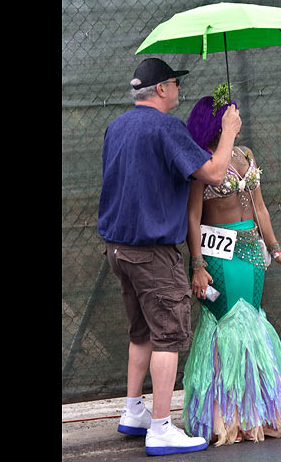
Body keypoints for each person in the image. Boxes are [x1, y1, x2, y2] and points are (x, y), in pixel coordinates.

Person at [98, 59, 242, 456]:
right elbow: (214, 173)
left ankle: (134, 411)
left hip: (118, 250)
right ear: (161, 89)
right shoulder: (167, 127)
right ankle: (161, 427)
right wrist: (228, 131)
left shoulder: (117, 127)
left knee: (141, 331)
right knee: (168, 336)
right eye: (176, 84)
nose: (179, 90)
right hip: (152, 253)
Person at [181, 93, 281, 446]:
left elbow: (260, 207)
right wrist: (198, 263)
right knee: (229, 325)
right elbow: (192, 216)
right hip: (219, 254)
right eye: (230, 113)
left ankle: (259, 413)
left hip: (251, 252)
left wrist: (276, 249)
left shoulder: (245, 154)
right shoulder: (202, 161)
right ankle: (226, 417)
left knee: (252, 322)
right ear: (217, 121)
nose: (237, 115)